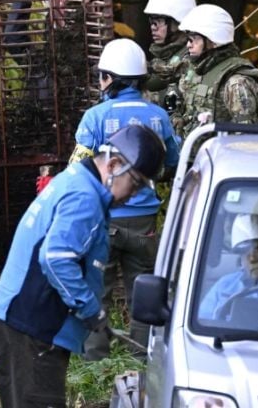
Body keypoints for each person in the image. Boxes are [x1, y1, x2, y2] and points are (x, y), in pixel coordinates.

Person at [0, 124, 166, 408]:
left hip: (24, 327)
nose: (135, 194)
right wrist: (91, 310)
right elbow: (56, 259)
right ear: (115, 165)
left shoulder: (77, 181)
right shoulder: (85, 197)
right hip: (28, 331)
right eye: (136, 183)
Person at [68, 38, 180, 360]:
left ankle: (95, 358)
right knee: (142, 291)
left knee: (96, 288)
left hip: (104, 218)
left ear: (110, 79)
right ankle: (143, 356)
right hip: (145, 221)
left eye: (102, 75)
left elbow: (78, 167)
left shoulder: (95, 117)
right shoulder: (159, 116)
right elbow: (171, 163)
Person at [174, 4, 258, 138]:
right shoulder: (194, 70)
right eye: (188, 39)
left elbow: (246, 138)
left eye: (194, 38)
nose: (188, 45)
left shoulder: (236, 83)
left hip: (218, 157)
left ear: (213, 41)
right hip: (189, 154)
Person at [142, 0, 196, 113]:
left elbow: (156, 86)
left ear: (177, 23)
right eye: (151, 21)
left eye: (159, 21)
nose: (153, 27)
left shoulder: (189, 55)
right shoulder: (168, 53)